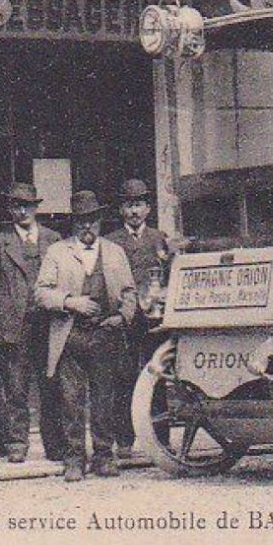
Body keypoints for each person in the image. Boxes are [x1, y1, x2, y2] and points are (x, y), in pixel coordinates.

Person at [34, 190, 138, 481]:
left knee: (105, 399)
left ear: (100, 221)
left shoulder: (115, 252)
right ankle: (74, 459)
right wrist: (69, 301)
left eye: (92, 220)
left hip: (106, 334)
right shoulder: (58, 252)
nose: (87, 227)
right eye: (81, 221)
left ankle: (104, 456)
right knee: (71, 400)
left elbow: (130, 293)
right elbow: (40, 292)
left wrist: (122, 317)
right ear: (73, 224)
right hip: (71, 336)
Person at [0, 182, 61, 464]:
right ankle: (17, 442)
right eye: (16, 205)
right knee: (15, 387)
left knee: (51, 385)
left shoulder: (54, 240)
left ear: (36, 207)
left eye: (27, 205)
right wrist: (0, 324)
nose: (22, 211)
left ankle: (55, 444)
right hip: (15, 327)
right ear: (9, 209)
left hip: (49, 323)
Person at [104, 177, 172, 454]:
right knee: (124, 377)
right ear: (121, 210)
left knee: (156, 375)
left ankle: (161, 438)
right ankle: (124, 439)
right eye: (128, 206)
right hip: (126, 319)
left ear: (147, 209)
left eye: (139, 205)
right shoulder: (110, 242)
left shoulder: (159, 239)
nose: (134, 211)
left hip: (154, 320)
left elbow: (170, 276)